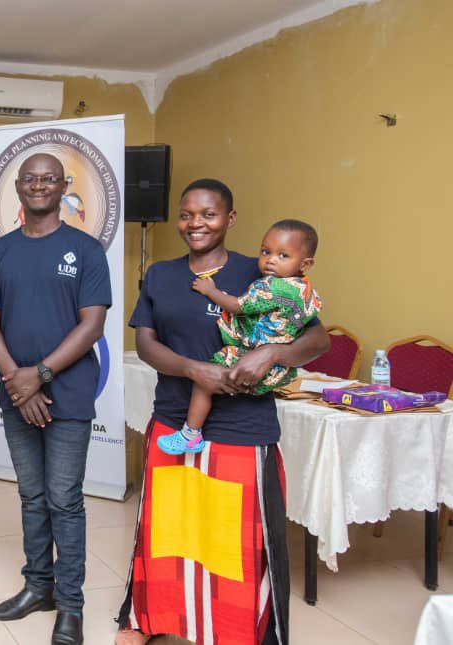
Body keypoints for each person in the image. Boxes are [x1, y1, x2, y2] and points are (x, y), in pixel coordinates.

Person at [114, 179, 330, 645]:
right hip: (175, 418)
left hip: (242, 426)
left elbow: (318, 339)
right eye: (188, 214)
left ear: (230, 219)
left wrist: (271, 353)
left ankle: (235, 631)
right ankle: (150, 619)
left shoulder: (267, 271)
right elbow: (145, 344)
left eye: (209, 214)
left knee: (232, 544)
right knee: (166, 531)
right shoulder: (161, 275)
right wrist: (196, 371)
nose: (197, 223)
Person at [0, 153, 111, 645]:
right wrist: (18, 379)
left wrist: (43, 374)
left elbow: (92, 324)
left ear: (63, 185)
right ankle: (38, 587)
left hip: (69, 395)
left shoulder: (86, 250)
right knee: (31, 496)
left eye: (48, 179)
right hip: (17, 393)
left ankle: (70, 606)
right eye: (30, 179)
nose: (38, 186)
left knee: (64, 500)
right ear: (17, 186)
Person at [158, 218, 323, 455]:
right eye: (266, 252)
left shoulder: (271, 287)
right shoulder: (307, 293)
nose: (271, 260)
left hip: (249, 360)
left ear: (305, 263)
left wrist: (211, 291)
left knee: (203, 382)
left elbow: (237, 306)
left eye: (283, 256)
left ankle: (190, 434)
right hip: (276, 371)